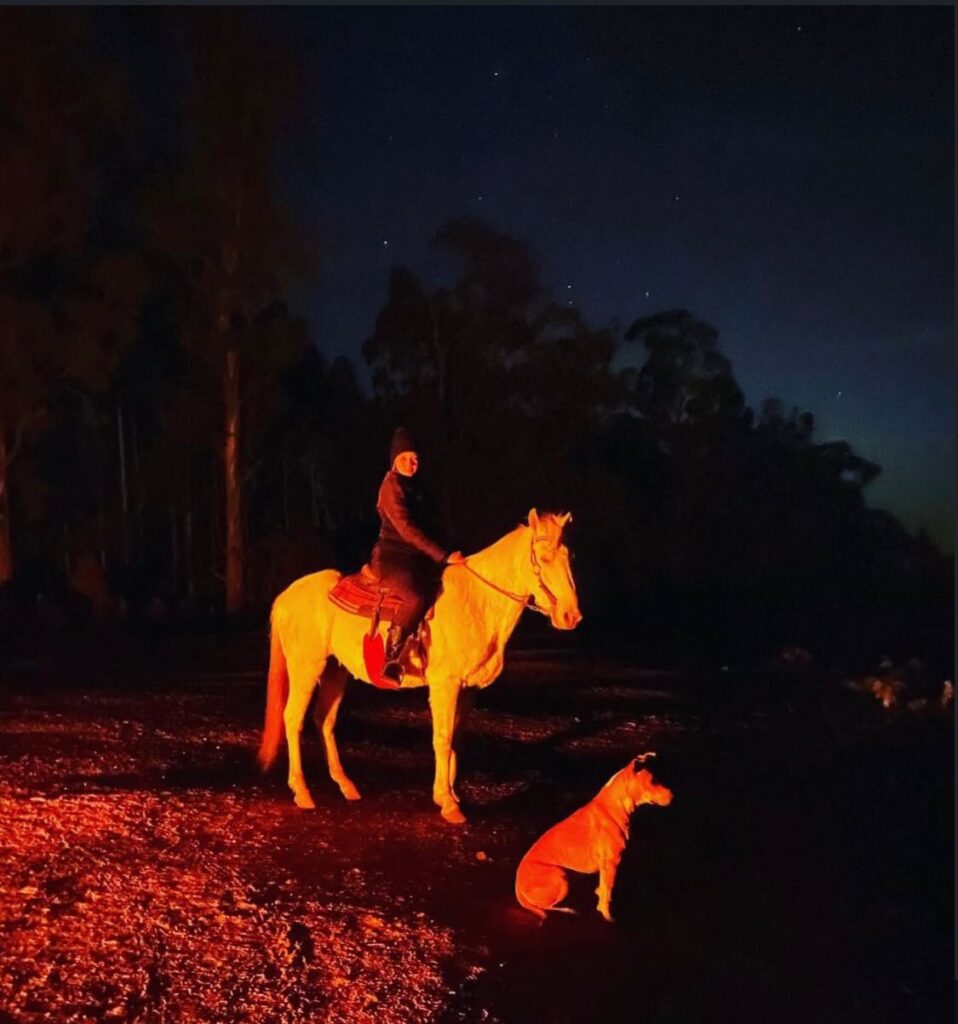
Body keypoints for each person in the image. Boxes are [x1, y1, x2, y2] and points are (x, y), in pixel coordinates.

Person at [371, 427, 464, 681]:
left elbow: (433, 525)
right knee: (415, 597)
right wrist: (443, 556)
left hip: (416, 558)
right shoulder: (391, 487)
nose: (411, 463)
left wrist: (452, 548)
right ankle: (389, 659)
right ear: (394, 461)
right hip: (392, 556)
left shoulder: (418, 488)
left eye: (415, 459)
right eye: (405, 459)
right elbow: (407, 530)